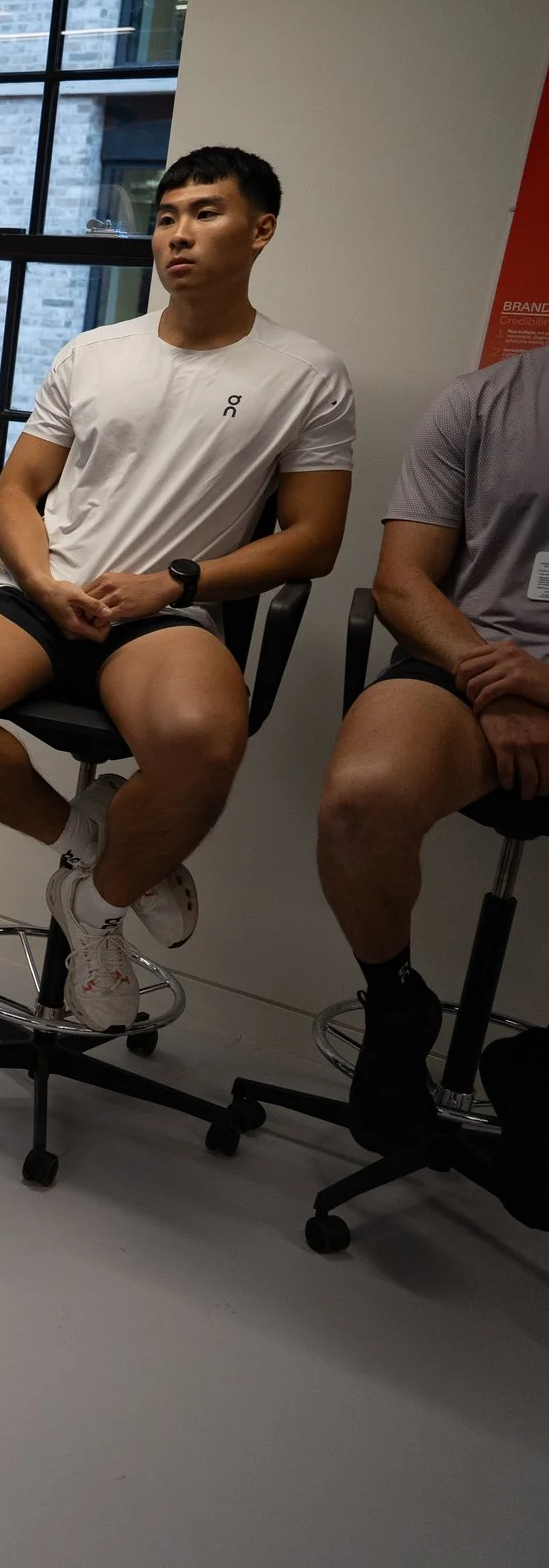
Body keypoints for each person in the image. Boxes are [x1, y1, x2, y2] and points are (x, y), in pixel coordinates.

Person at [0, 147, 355, 1028]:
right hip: (46, 595)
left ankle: (94, 913)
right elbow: (16, 493)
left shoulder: (306, 374)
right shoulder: (94, 351)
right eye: (167, 215)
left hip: (166, 612)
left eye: (205, 213)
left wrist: (175, 579)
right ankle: (84, 839)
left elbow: (315, 542)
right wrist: (40, 578)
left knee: (204, 744)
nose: (178, 232)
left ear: (261, 230)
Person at [314, 343, 549, 1219]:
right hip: (472, 659)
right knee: (360, 800)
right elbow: (403, 581)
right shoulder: (481, 402)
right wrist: (499, 678)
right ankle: (396, 1002)